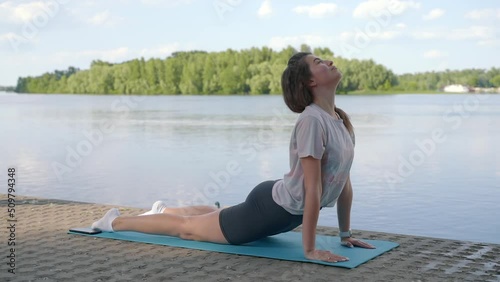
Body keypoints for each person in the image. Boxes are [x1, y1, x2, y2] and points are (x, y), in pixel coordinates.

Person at [91, 52, 375, 263]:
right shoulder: (312, 121)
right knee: (188, 231)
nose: (329, 62)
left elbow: (343, 183)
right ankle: (113, 222)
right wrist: (310, 250)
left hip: (282, 209)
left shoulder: (339, 120)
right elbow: (313, 188)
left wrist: (345, 235)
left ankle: (162, 211)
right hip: (271, 210)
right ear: (310, 81)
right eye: (319, 62)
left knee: (220, 216)